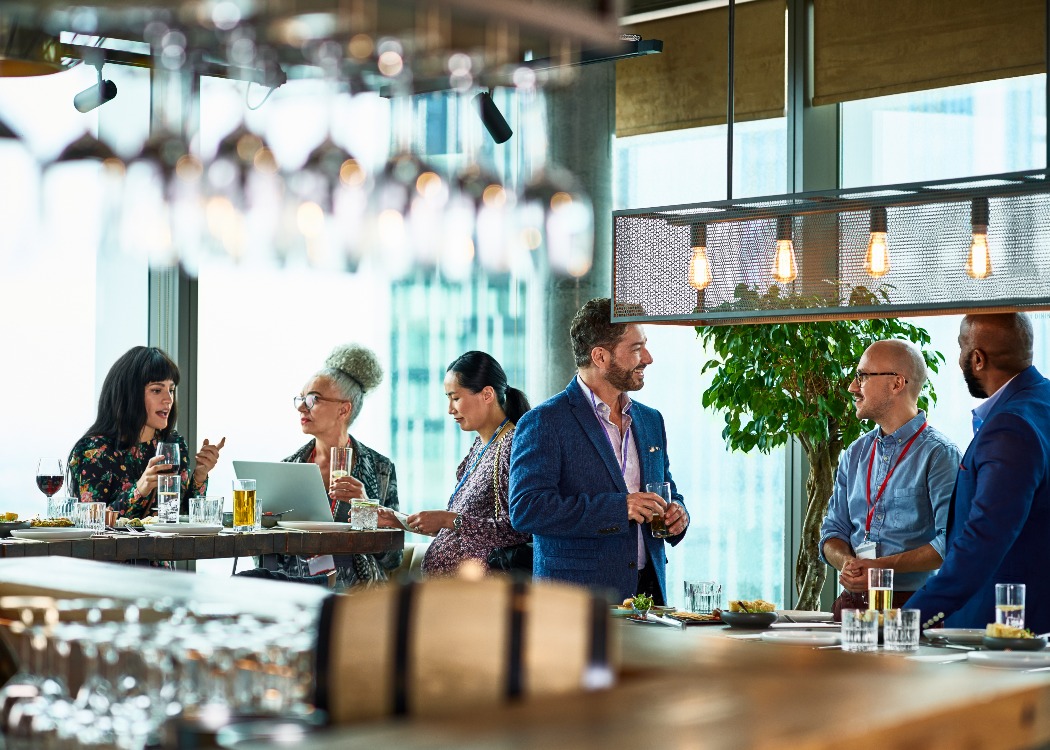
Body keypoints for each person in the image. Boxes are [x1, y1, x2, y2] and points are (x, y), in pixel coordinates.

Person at [508, 297, 689, 604]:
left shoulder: (650, 420)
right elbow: (527, 510)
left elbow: (667, 488)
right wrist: (620, 508)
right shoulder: (543, 422)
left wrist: (679, 514)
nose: (648, 357)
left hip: (649, 596)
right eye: (636, 348)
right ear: (600, 356)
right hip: (575, 602)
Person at [906, 313, 1050, 633]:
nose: (959, 361)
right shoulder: (1042, 402)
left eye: (960, 348)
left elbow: (982, 540)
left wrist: (905, 620)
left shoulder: (1009, 426)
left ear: (978, 358)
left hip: (1008, 634)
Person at [819, 340, 960, 618]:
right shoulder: (854, 453)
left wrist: (880, 568)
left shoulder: (940, 455)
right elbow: (832, 532)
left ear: (897, 384)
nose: (852, 387)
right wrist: (848, 563)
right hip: (851, 606)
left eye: (863, 376)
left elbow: (950, 543)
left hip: (913, 611)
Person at [262, 343, 402, 588]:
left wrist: (368, 509)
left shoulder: (381, 469)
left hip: (356, 592)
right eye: (301, 399)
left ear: (344, 409)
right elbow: (267, 552)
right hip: (295, 586)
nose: (301, 407)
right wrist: (264, 522)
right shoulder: (287, 469)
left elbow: (393, 558)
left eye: (313, 399)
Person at [409, 351, 532, 576]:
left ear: (487, 394)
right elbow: (465, 528)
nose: (450, 409)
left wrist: (447, 519)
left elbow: (518, 529)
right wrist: (399, 520)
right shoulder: (480, 446)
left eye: (455, 398)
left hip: (480, 595)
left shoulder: (511, 445)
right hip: (453, 594)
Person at [68, 346, 224, 519]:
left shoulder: (175, 445)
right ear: (130, 394)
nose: (168, 399)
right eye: (157, 390)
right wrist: (140, 489)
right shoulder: (94, 451)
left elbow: (183, 517)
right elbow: (92, 523)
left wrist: (200, 476)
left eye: (171, 390)